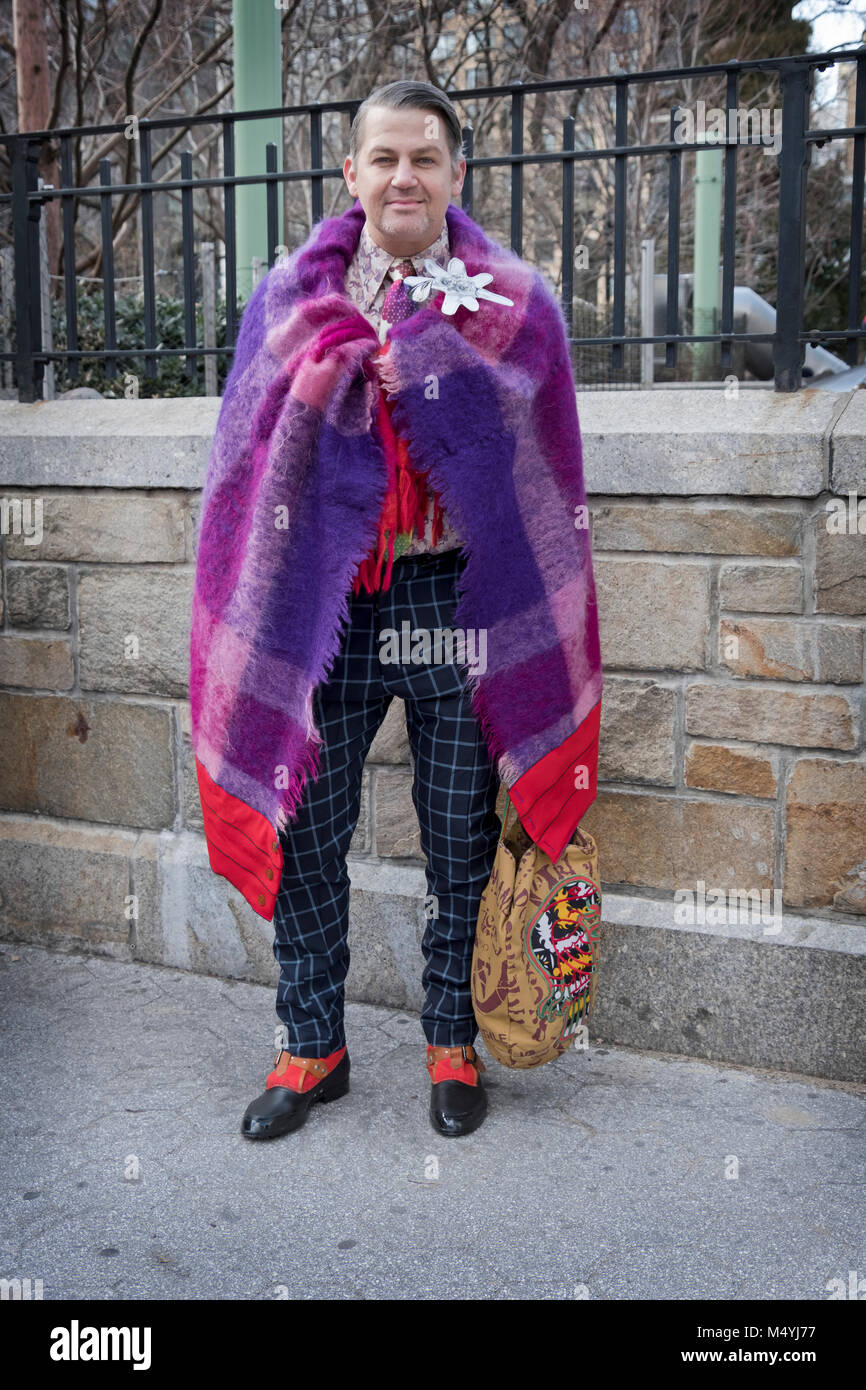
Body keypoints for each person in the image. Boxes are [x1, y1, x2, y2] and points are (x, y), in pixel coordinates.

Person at [189, 80, 603, 1146]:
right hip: (324, 607)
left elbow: (544, 479)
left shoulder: (515, 300)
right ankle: (309, 1044)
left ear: (456, 173)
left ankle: (449, 1042)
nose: (403, 176)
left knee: (457, 838)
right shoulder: (289, 299)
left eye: (424, 157)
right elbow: (244, 464)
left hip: (458, 602)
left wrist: (413, 367)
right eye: (383, 158)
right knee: (309, 831)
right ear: (351, 174)